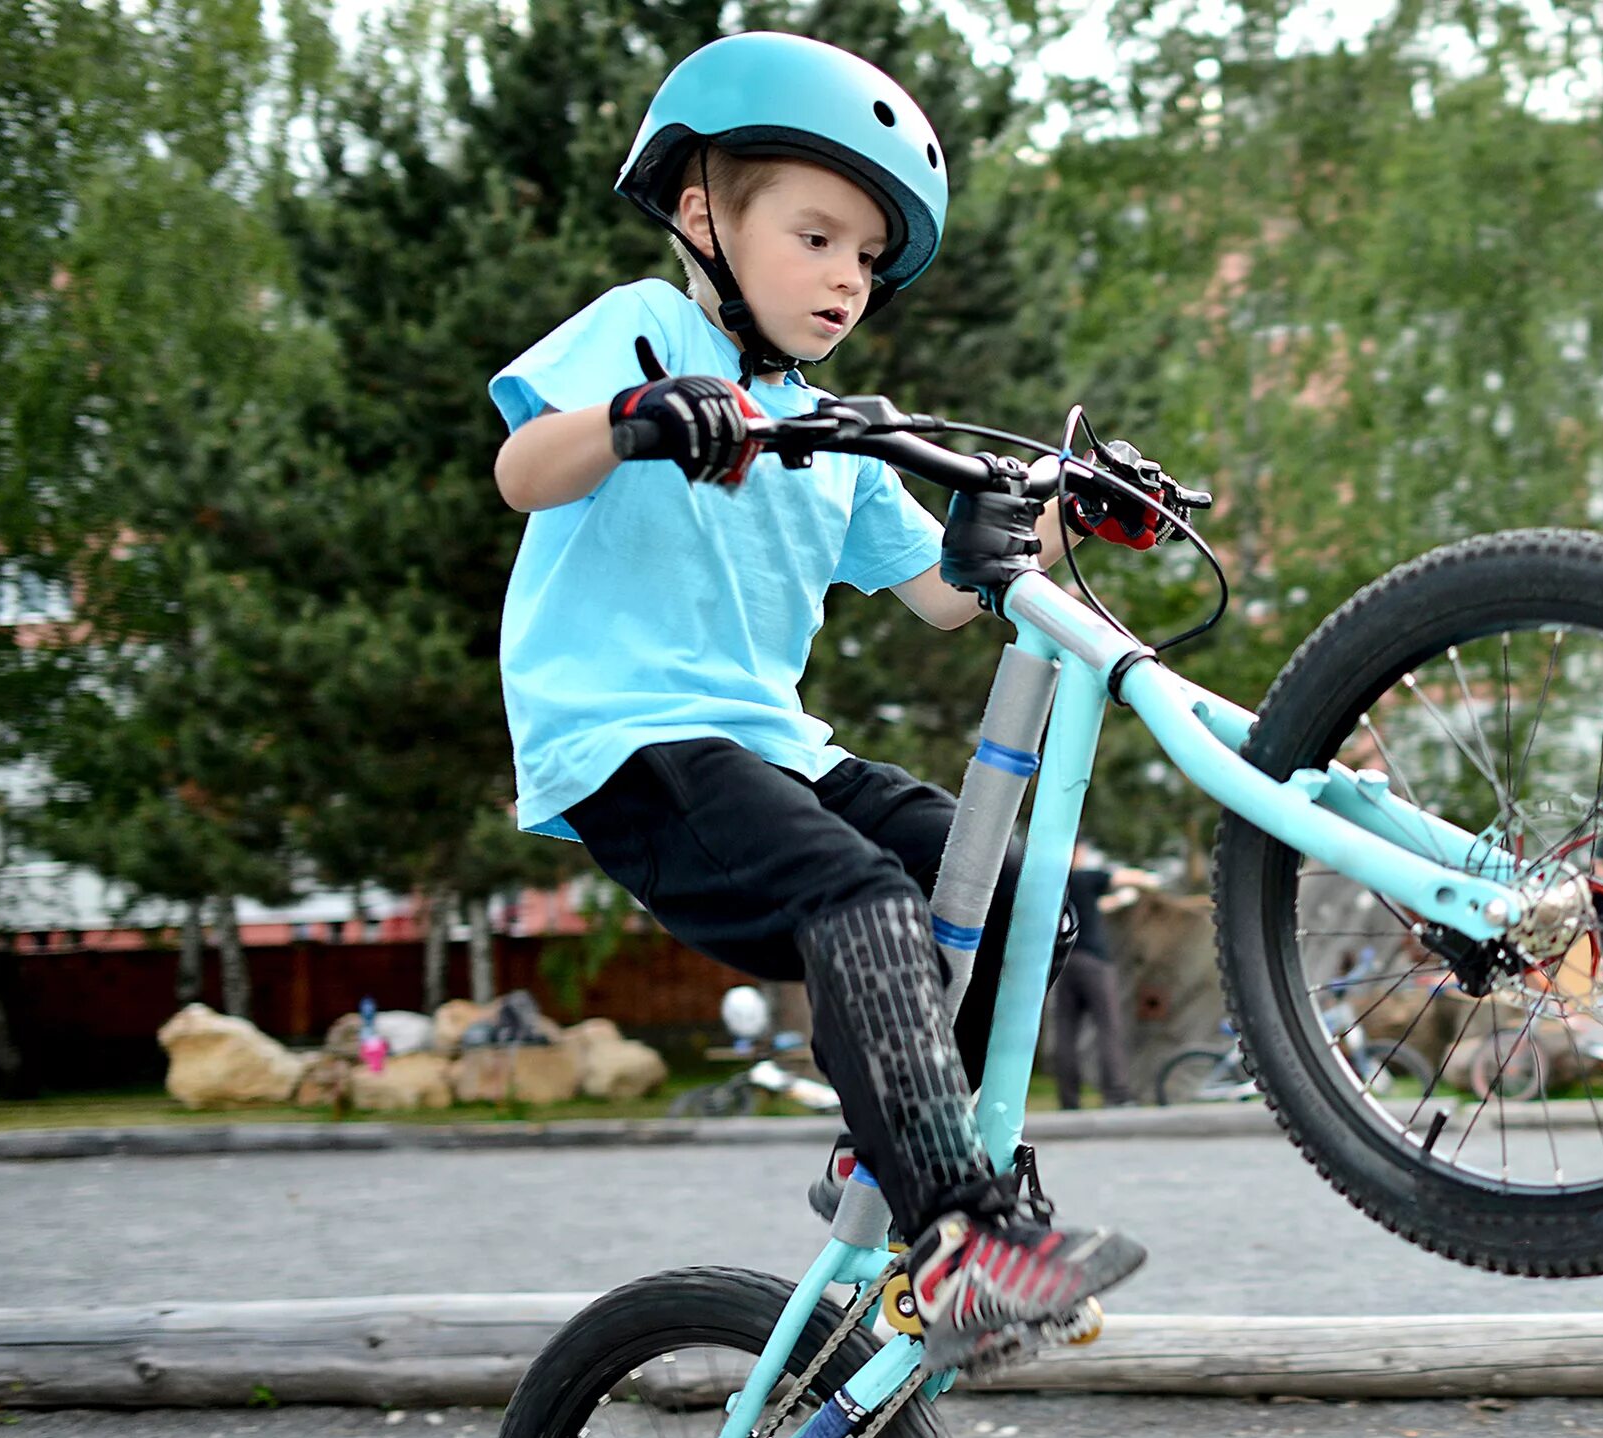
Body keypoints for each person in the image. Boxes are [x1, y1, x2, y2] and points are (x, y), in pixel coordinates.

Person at [488, 32, 1148, 1363]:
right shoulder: (648, 330)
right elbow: (522, 467)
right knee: (860, 895)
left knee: (1029, 896)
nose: (847, 276)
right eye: (816, 235)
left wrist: (1068, 517)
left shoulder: (831, 428)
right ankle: (955, 1228)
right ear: (702, 214)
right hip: (629, 743)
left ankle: (897, 1144)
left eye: (866, 257)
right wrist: (639, 414)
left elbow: (951, 592)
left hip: (770, 749)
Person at [1050, 840, 1152, 1110]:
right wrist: (1149, 878)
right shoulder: (1085, 877)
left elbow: (1091, 908)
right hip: (1094, 962)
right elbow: (1124, 877)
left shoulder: (1052, 883)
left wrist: (1117, 901)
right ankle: (1117, 1095)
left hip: (1062, 964)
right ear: (1075, 851)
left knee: (1066, 1033)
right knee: (1108, 1027)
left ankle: (1068, 1100)